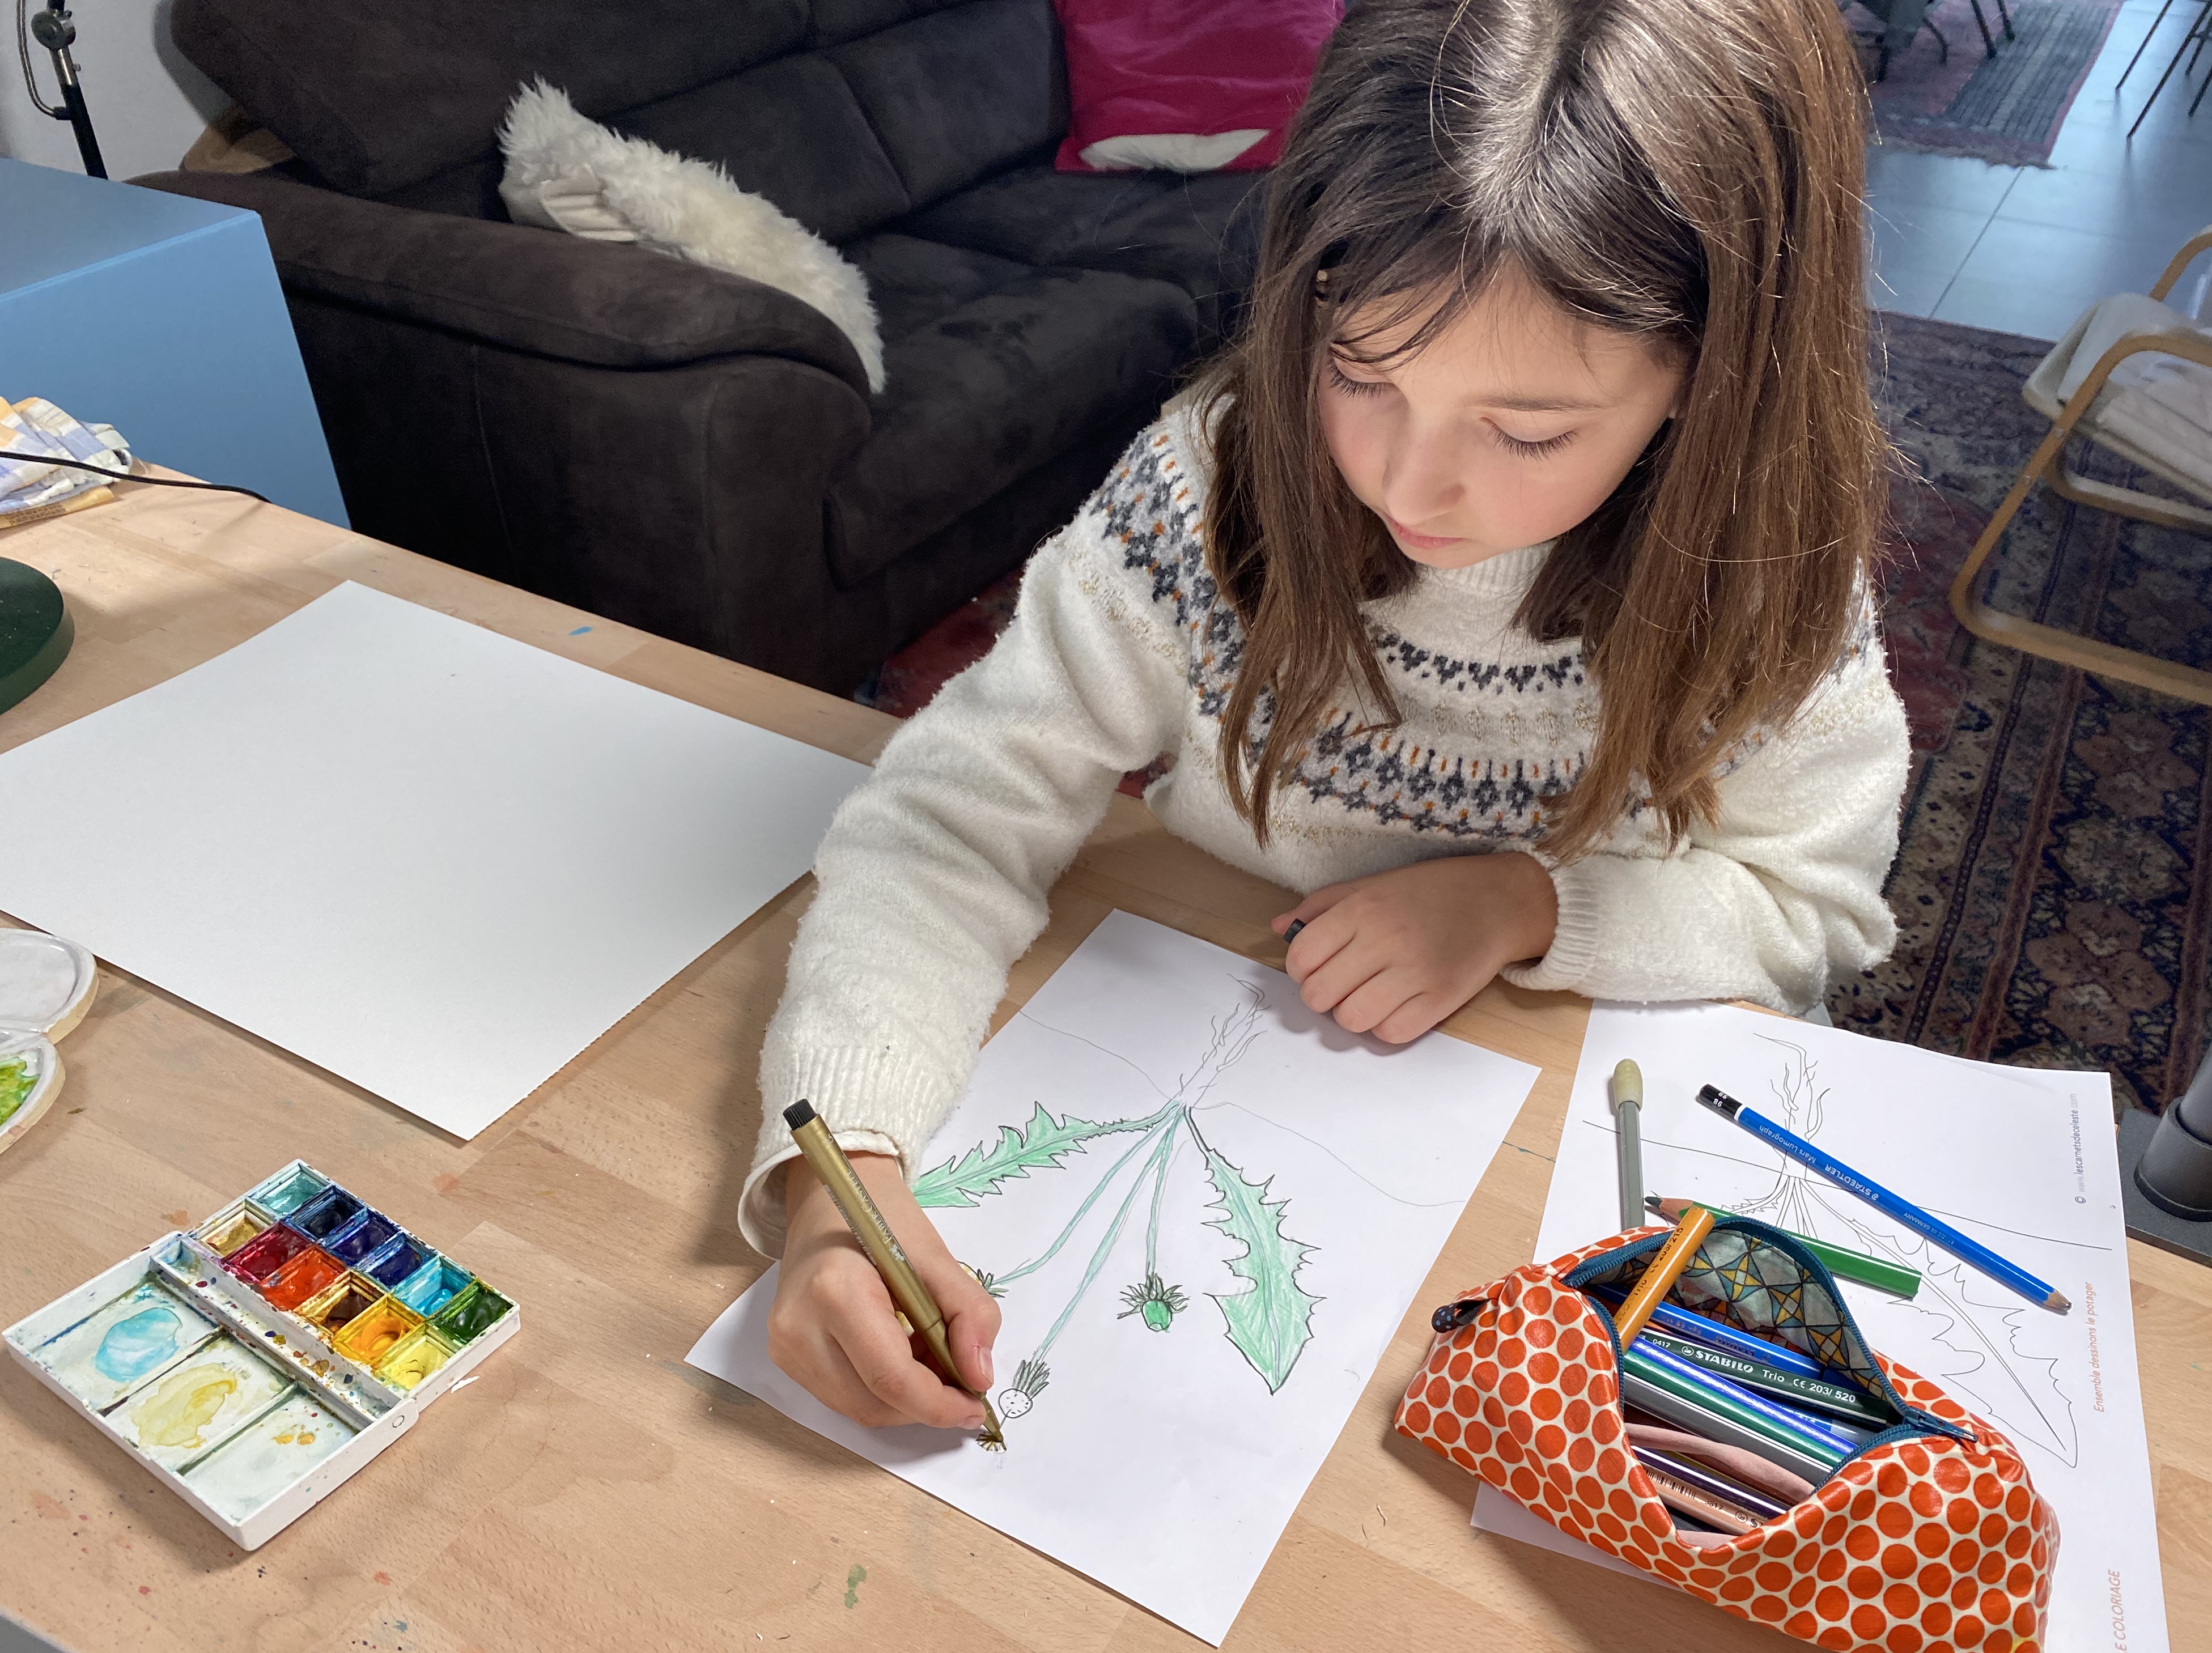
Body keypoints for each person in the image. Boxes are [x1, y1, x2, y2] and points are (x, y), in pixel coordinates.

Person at [751, 0, 1908, 1434]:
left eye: (1529, 433)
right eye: (1359, 374)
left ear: (1711, 376)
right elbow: (950, 813)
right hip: (1226, 1056)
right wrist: (837, 1176)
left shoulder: (1769, 587)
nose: (1410, 487)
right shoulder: (1211, 492)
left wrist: (1526, 905)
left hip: (1557, 1183)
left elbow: (1817, 915)